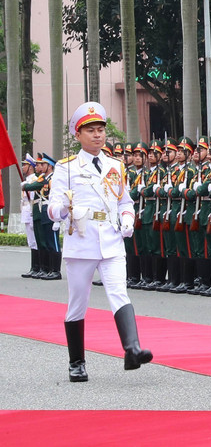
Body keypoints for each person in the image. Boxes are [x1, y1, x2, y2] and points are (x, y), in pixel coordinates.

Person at [47, 102, 152, 382]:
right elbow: (53, 207)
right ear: (78, 135)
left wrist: (128, 218)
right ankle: (77, 362)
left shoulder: (115, 165)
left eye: (101, 130)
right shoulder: (66, 167)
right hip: (80, 241)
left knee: (119, 293)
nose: (97, 135)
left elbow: (124, 200)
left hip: (110, 237)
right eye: (91, 130)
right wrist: (64, 210)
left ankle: (132, 349)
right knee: (77, 303)